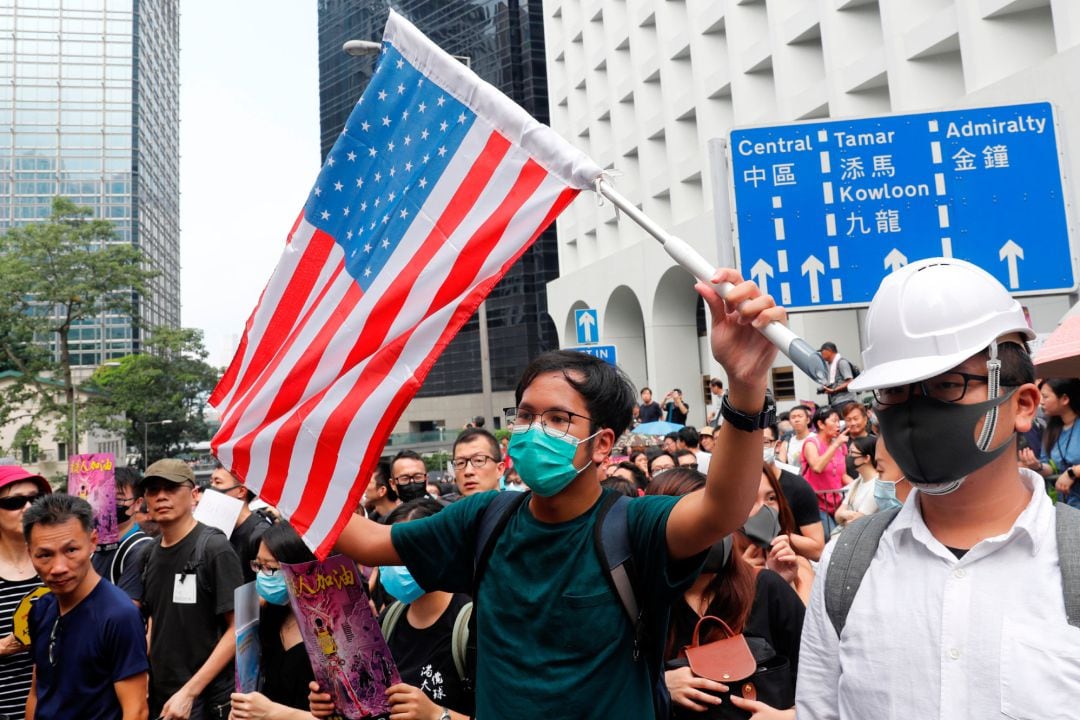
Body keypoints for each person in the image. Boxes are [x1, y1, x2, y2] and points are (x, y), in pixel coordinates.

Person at [332, 267, 784, 719]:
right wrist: (278, 473)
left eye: (557, 420)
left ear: (603, 443)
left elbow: (723, 509)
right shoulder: (485, 519)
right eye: (525, 415)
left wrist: (745, 386)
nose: (534, 431)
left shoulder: (634, 526)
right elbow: (368, 542)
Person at [797, 257, 1080, 719]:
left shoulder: (1072, 562)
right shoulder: (848, 565)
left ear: (1024, 405)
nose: (913, 411)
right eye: (894, 392)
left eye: (946, 385)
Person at [650, 468, 803, 720]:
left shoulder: (766, 588)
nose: (701, 534)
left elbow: (824, 676)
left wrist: (789, 716)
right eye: (685, 523)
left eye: (710, 520)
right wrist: (659, 687)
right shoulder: (642, 604)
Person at [23, 494, 149, 720]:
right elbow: (37, 691)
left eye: (71, 550)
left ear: (92, 541)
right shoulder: (41, 609)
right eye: (44, 555)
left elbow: (136, 710)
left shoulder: (119, 616)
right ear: (29, 553)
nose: (58, 567)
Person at [140, 458, 245, 720]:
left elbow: (239, 628)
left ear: (194, 494)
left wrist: (190, 692)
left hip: (206, 697)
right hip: (162, 694)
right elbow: (156, 618)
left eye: (172, 488)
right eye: (153, 490)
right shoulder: (149, 552)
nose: (161, 497)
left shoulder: (214, 548)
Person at [229, 521, 318, 719]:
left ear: (301, 568)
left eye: (270, 568)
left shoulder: (335, 630)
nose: (262, 575)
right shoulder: (270, 616)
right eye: (258, 566)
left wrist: (273, 713)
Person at [0, 467, 51, 720]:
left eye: (36, 499)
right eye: (15, 502)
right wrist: (2, 647)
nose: (28, 507)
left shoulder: (61, 565)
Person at [91, 466, 154, 605]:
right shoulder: (92, 545)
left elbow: (127, 609)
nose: (108, 505)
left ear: (138, 503)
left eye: (117, 500)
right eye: (102, 497)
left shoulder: (140, 549)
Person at [764, 425, 825, 562]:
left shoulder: (798, 488)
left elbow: (817, 549)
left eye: (764, 442)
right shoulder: (737, 489)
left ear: (777, 445)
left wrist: (775, 533)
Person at [1020, 378, 1080, 508]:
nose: (1040, 402)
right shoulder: (1052, 431)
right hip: (1069, 505)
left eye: (1045, 397)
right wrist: (1037, 466)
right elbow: (1051, 467)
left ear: (1064, 399)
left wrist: (1072, 472)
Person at [209, 464, 271, 584]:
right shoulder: (215, 531)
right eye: (211, 482)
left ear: (241, 491)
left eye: (218, 482)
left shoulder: (260, 533)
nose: (211, 488)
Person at [800, 406, 849, 534]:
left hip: (838, 502)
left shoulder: (841, 445)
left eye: (839, 421)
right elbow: (817, 467)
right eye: (833, 421)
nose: (838, 425)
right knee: (832, 536)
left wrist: (862, 485)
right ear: (821, 424)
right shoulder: (811, 443)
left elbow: (842, 476)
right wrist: (836, 444)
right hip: (816, 504)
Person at [832, 436, 879, 532]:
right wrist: (844, 515)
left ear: (866, 458)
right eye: (848, 452)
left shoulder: (877, 485)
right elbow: (837, 515)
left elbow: (857, 521)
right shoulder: (858, 481)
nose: (849, 456)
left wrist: (844, 515)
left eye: (852, 453)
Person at [451, 428, 506, 497]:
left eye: (478, 460)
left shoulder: (517, 506)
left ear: (499, 469)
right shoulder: (450, 507)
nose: (468, 471)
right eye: (460, 463)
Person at [841, 401, 876, 478]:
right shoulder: (841, 443)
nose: (853, 423)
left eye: (856, 419)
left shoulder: (875, 442)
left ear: (865, 419)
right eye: (848, 420)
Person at [818, 342, 857, 408]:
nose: (821, 354)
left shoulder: (842, 362)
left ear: (829, 350)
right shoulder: (829, 366)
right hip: (836, 402)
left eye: (822, 351)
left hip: (846, 401)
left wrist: (834, 390)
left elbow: (850, 382)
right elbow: (832, 383)